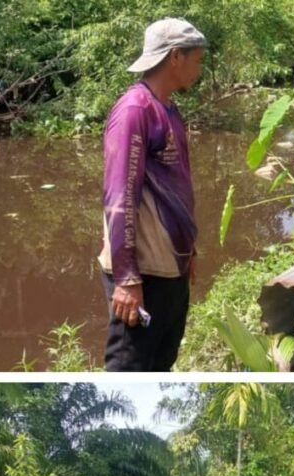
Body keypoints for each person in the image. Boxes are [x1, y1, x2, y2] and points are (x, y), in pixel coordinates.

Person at [99, 18, 207, 371]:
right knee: (130, 366)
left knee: (163, 360)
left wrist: (187, 252)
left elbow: (178, 189)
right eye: (197, 59)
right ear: (175, 57)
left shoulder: (168, 109)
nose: (199, 68)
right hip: (143, 273)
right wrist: (127, 279)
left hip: (170, 268)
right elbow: (119, 199)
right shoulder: (135, 111)